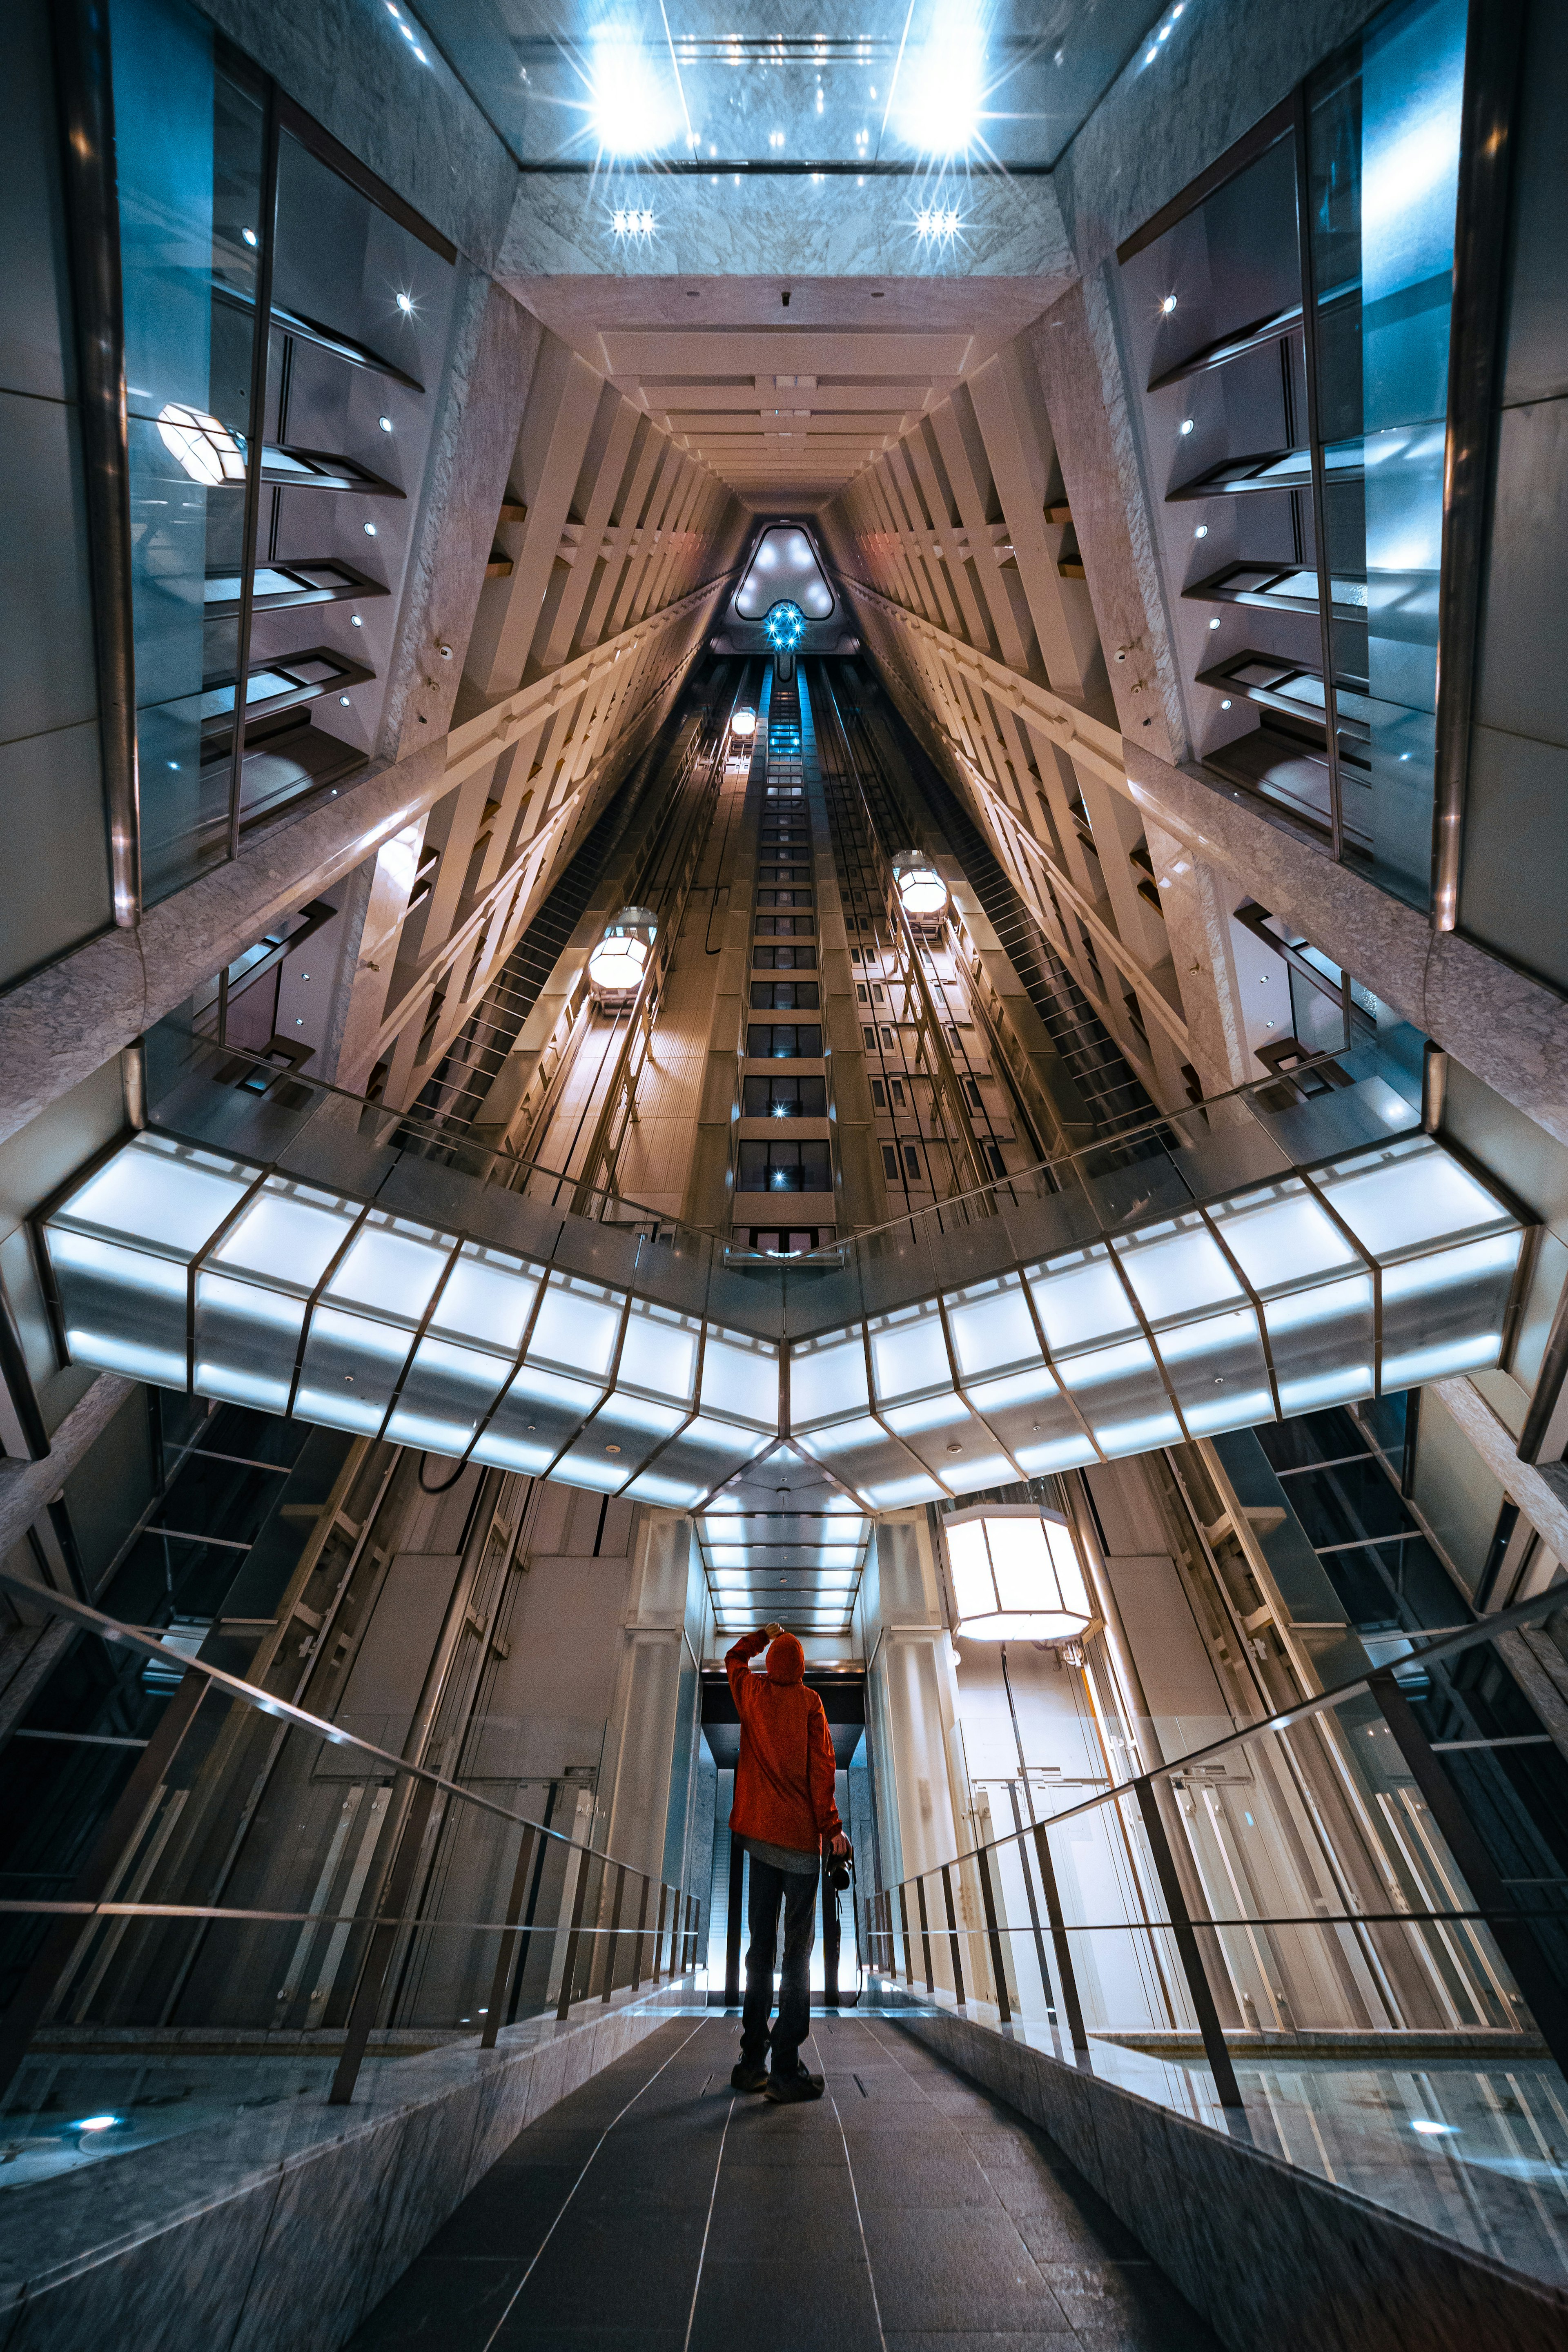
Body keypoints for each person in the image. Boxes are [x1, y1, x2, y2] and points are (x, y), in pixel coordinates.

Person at [725, 1619, 853, 2104]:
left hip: (760, 1844)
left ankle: (751, 2062)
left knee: (759, 1949)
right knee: (795, 1955)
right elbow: (823, 1768)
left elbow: (734, 1660)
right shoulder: (810, 1703)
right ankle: (784, 2069)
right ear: (801, 1669)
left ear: (771, 1664)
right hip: (801, 1850)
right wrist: (832, 1829)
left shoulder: (752, 1695)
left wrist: (761, 1635)